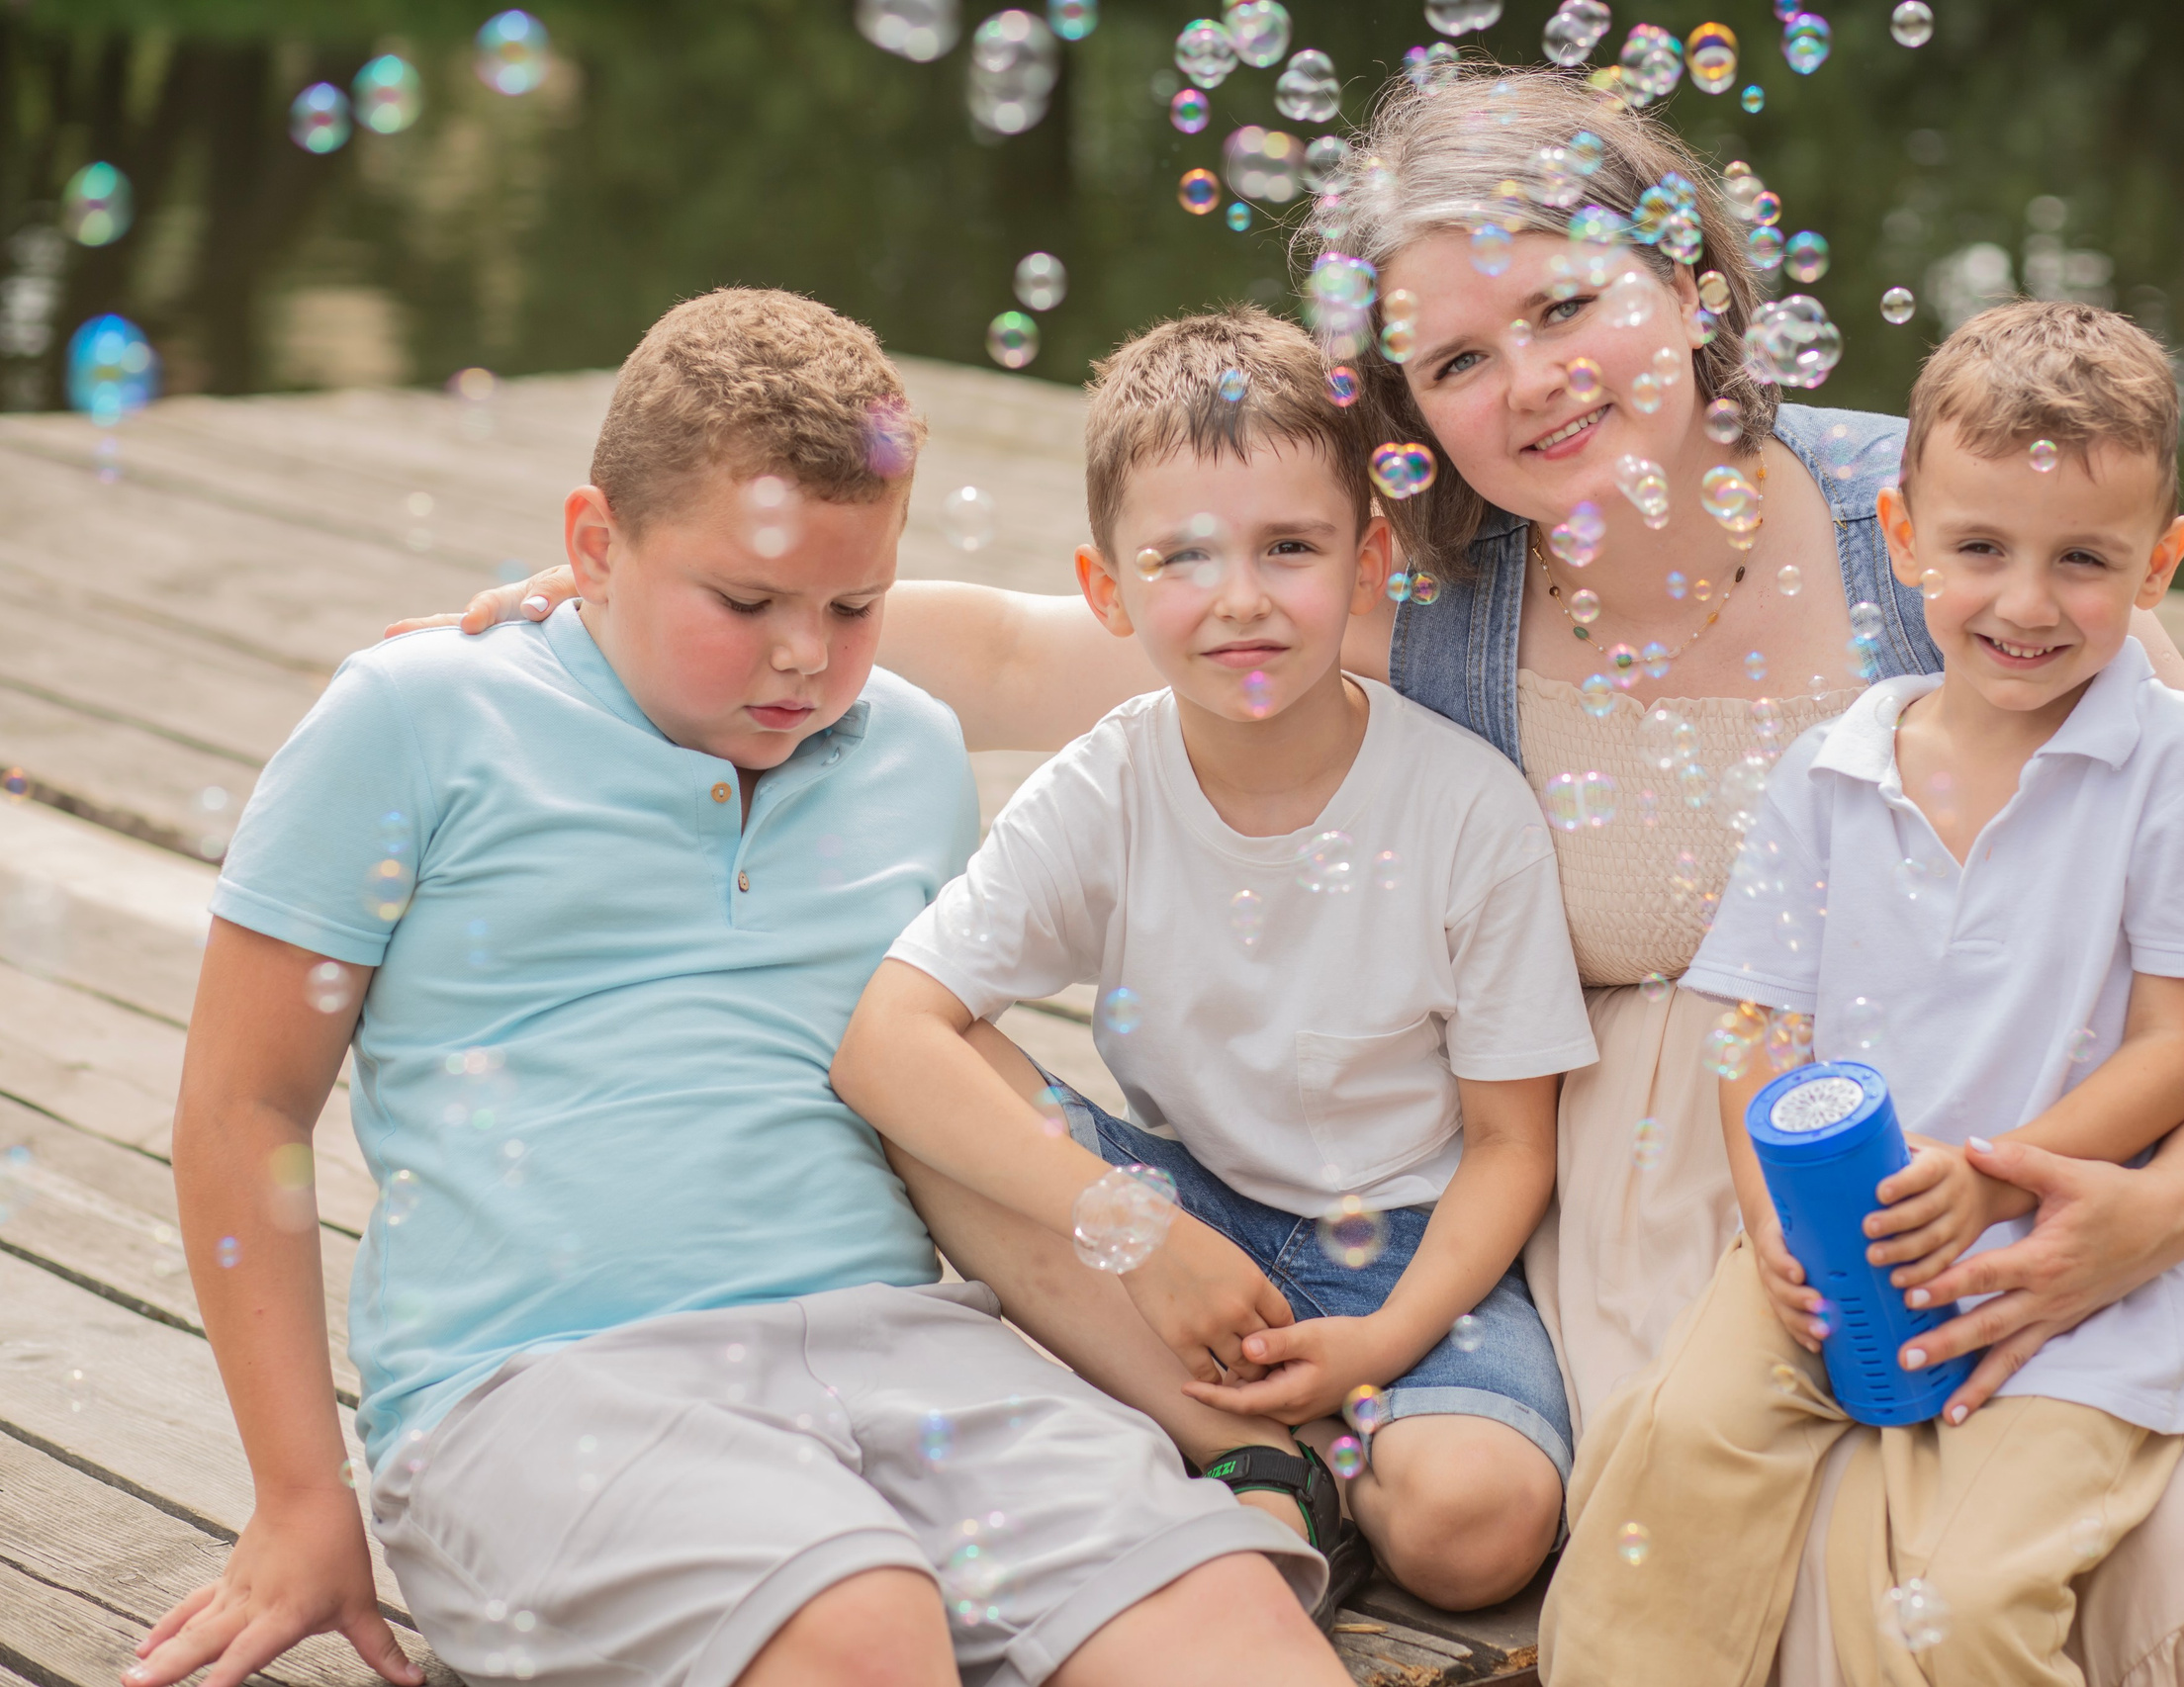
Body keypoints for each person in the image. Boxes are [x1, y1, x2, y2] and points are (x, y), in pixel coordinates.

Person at [406, 69, 2184, 1686]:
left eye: (1567, 303)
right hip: (1695, 1222)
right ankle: (1248, 1452)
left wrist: (2154, 1198)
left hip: (2072, 1153)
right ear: (1405, 415)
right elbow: (1018, 649)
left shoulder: (1932, 531)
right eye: (1453, 357)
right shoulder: (1426, 590)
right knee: (1818, 1571)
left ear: (1683, 281)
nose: (1529, 379)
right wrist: (633, 602)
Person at [135, 288, 1346, 1687]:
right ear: (594, 545)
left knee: (1235, 1631)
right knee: (864, 1626)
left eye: (854, 605)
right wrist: (300, 1499)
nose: (803, 656)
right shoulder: (417, 715)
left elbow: (933, 1134)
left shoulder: (909, 753)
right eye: (745, 600)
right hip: (544, 1389)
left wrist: (1212, 1424)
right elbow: (243, 1103)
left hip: (905, 1357)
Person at [1545, 299, 2184, 1685]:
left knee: (1965, 1594)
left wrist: (2001, 1177)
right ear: (1900, 536)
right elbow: (1758, 1025)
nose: (2024, 601)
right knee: (1661, 1479)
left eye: (2084, 559)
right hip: (1833, 1247)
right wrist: (1771, 1223)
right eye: (1979, 548)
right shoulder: (1834, 770)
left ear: (2162, 562)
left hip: (2064, 1277)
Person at [836, 306, 1593, 1617]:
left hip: (1409, 1254)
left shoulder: (1467, 810)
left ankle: (1263, 1439)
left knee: (1477, 1528)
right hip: (1181, 1212)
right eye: (1184, 556)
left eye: (1287, 548)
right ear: (1107, 588)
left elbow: (1513, 1146)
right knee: (935, 1089)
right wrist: (1139, 1235)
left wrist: (1382, 1336)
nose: (1240, 597)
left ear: (1365, 565)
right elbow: (884, 1040)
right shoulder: (1106, 786)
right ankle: (1259, 1452)